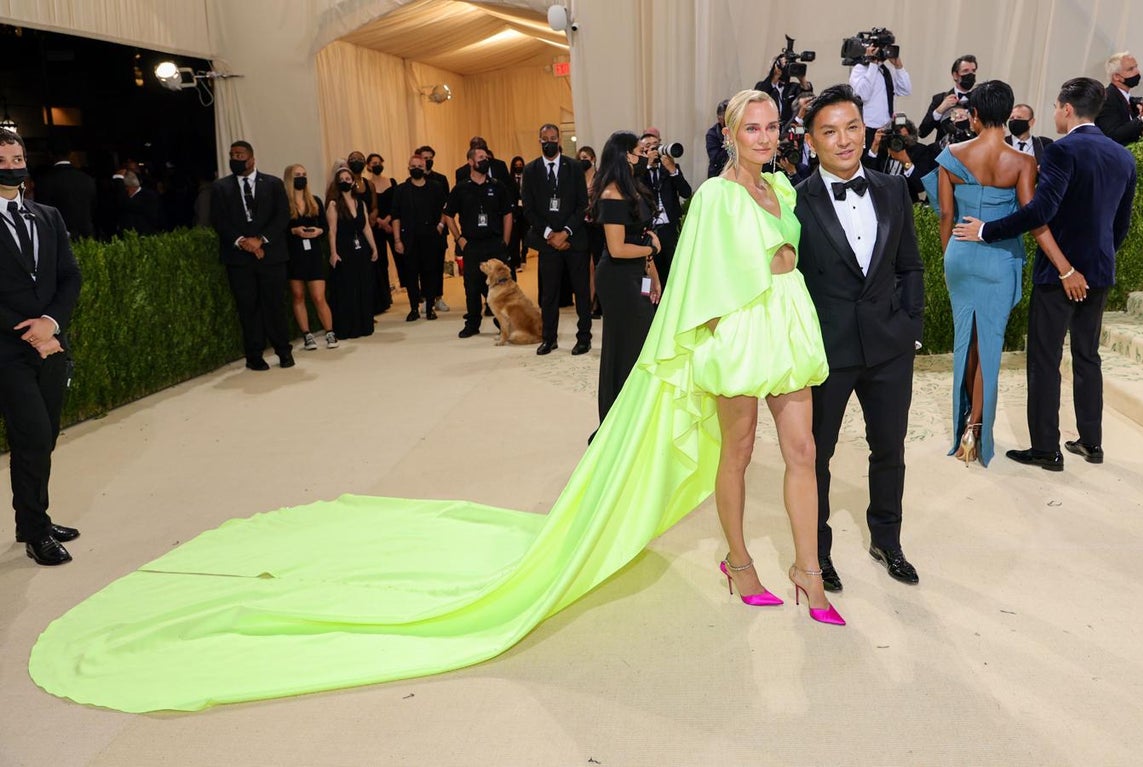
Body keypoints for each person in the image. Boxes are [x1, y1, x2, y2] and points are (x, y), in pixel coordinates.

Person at [29, 92, 847, 715]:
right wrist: (713, 324)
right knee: (735, 451)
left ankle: (809, 573)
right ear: (729, 133)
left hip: (789, 323)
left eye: (772, 125)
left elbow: (794, 253)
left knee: (805, 451)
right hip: (741, 331)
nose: (765, 135)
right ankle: (740, 562)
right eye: (752, 126)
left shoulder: (782, 186)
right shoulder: (715, 197)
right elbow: (702, 274)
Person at [953, 77, 1137, 471]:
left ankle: (1045, 449)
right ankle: (1092, 442)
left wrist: (986, 230)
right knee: (1087, 356)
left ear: (1067, 109)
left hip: (1058, 274)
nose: (1055, 113)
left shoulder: (1061, 151)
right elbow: (1121, 225)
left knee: (1044, 358)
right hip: (1099, 272)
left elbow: (1039, 212)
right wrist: (1096, 262)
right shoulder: (1123, 157)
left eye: (1055, 106)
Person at [794, 84, 925, 593]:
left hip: (890, 346)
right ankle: (817, 552)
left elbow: (910, 265)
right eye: (830, 132)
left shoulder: (892, 189)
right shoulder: (794, 199)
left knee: (889, 448)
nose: (844, 140)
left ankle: (887, 540)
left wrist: (910, 326)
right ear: (811, 141)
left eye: (852, 127)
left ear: (866, 131)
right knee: (817, 456)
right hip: (827, 350)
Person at [924, 80, 1071, 466]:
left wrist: (950, 257)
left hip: (960, 254)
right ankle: (974, 429)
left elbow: (945, 215)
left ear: (974, 115)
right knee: (988, 344)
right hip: (999, 259)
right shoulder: (1022, 162)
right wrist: (1064, 266)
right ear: (1008, 115)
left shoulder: (951, 155)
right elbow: (1032, 218)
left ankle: (964, 426)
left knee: (966, 342)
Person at [0, 128, 83, 566]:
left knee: (45, 436)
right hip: (7, 350)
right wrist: (30, 331)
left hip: (51, 344)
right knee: (31, 436)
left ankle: (31, 519)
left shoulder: (47, 215)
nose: (11, 167)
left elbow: (70, 275)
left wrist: (50, 324)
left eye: (17, 159)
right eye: (2, 160)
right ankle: (36, 532)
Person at [588, 131, 661, 431]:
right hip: (618, 279)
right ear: (625, 156)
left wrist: (653, 274)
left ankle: (636, 418)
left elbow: (641, 236)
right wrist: (651, 250)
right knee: (624, 348)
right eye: (640, 151)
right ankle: (617, 424)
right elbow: (618, 248)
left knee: (640, 343)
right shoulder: (612, 194)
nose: (645, 156)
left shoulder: (633, 188)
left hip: (636, 273)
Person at [210, 140, 294, 371]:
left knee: (274, 305)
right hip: (238, 259)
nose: (235, 159)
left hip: (271, 256)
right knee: (248, 308)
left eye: (240, 155)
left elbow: (282, 216)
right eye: (232, 155)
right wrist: (242, 241)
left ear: (252, 159)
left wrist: (261, 240)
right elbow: (219, 220)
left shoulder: (273, 184)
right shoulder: (221, 187)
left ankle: (283, 352)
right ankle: (254, 356)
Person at [521, 123, 592, 356]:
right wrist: (549, 234)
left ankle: (584, 338)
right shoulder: (530, 170)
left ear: (559, 139)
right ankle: (549, 338)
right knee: (549, 294)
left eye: (553, 138)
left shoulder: (574, 167)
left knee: (581, 291)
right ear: (539, 141)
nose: (550, 142)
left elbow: (582, 204)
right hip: (547, 242)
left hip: (574, 239)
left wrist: (566, 232)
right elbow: (529, 209)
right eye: (545, 139)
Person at [442, 146, 512, 339]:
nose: (485, 160)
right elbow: (448, 215)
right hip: (471, 245)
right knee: (472, 286)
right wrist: (459, 239)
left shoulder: (497, 186)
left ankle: (503, 321)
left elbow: (507, 214)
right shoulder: (461, 188)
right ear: (471, 162)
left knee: (501, 285)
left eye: (486, 157)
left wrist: (505, 241)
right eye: (481, 157)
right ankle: (472, 323)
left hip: (494, 243)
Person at [283, 164, 336, 351]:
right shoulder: (283, 203)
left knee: (319, 296)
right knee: (298, 295)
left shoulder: (315, 201)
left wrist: (318, 231)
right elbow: (279, 230)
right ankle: (307, 335)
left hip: (313, 254)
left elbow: (325, 227)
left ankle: (330, 332)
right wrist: (294, 230)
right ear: (289, 178)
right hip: (294, 255)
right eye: (297, 175)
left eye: (304, 174)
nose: (302, 178)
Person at [391, 154, 448, 322]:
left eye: (420, 166)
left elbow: (445, 209)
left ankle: (430, 308)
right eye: (413, 166)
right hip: (408, 239)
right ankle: (414, 308)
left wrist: (440, 225)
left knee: (430, 273)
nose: (417, 169)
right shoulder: (401, 190)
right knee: (411, 274)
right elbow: (396, 216)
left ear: (425, 168)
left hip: (431, 237)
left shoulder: (435, 187)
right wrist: (397, 240)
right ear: (408, 168)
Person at [325, 166, 378, 340]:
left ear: (353, 181)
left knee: (363, 285)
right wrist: (333, 253)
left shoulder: (360, 202)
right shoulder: (333, 204)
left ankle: (364, 324)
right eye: (341, 180)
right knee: (347, 288)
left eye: (348, 179)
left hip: (361, 249)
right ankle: (348, 327)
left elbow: (366, 227)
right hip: (344, 249)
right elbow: (332, 231)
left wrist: (374, 247)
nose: (345, 182)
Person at [636, 132, 692, 286]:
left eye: (656, 145)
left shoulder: (670, 167)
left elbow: (686, 192)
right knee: (652, 274)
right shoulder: (639, 171)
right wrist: (646, 165)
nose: (653, 149)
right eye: (648, 146)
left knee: (673, 271)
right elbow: (635, 191)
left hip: (670, 228)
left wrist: (673, 170)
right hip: (649, 229)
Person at [862, 113, 939, 202]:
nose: (897, 140)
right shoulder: (883, 149)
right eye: (894, 135)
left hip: (905, 201)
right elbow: (866, 174)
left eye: (901, 137)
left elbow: (920, 186)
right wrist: (875, 145)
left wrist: (906, 162)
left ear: (910, 136)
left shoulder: (920, 151)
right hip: (880, 199)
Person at [849, 44, 911, 146]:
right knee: (869, 156)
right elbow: (863, 95)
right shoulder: (859, 69)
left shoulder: (887, 70)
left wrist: (899, 67)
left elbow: (905, 90)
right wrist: (872, 63)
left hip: (887, 128)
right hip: (868, 129)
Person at [33, 144, 96, 240]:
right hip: (86, 236)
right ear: (70, 153)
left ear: (50, 154)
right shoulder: (87, 179)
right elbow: (94, 207)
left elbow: (42, 213)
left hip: (58, 236)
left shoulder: (45, 181)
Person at [416, 145, 451, 313]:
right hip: (421, 231)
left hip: (439, 228)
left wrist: (441, 224)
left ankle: (438, 297)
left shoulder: (441, 179)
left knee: (438, 264)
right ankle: (425, 298)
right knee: (423, 265)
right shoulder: (414, 180)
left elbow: (447, 205)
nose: (428, 161)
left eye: (430, 158)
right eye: (425, 158)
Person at [919, 55, 979, 144]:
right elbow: (922, 132)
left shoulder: (980, 100)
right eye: (965, 71)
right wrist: (939, 111)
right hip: (945, 149)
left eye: (973, 71)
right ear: (955, 75)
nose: (970, 75)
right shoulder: (940, 99)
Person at [1096, 51, 1143, 145]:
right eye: (1131, 69)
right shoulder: (1106, 99)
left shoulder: (1129, 100)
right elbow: (1113, 135)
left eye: (1136, 67)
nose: (1137, 71)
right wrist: (1142, 118)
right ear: (1116, 76)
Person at [366, 152, 397, 314]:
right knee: (381, 261)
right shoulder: (367, 184)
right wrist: (380, 221)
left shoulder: (391, 181)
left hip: (393, 224)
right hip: (376, 226)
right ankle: (385, 296)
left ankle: (413, 291)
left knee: (400, 257)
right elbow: (367, 207)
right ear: (368, 166)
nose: (377, 165)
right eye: (374, 163)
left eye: (379, 162)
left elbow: (396, 203)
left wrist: (388, 220)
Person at [577, 145, 604, 318]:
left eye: (586, 157)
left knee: (597, 264)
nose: (583, 161)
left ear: (593, 159)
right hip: (582, 226)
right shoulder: (577, 178)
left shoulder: (600, 177)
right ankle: (587, 302)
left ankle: (598, 302)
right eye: (580, 158)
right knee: (585, 266)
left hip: (597, 225)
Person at [507, 155, 528, 273]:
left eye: (520, 165)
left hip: (525, 211)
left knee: (525, 235)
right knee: (514, 237)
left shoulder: (527, 178)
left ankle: (524, 255)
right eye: (516, 165)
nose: (518, 167)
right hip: (514, 211)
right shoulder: (509, 180)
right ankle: (516, 260)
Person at [705, 98, 730, 178]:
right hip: (718, 175)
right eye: (727, 119)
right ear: (719, 118)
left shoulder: (741, 131)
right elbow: (716, 160)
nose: (730, 122)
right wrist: (729, 142)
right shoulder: (712, 134)